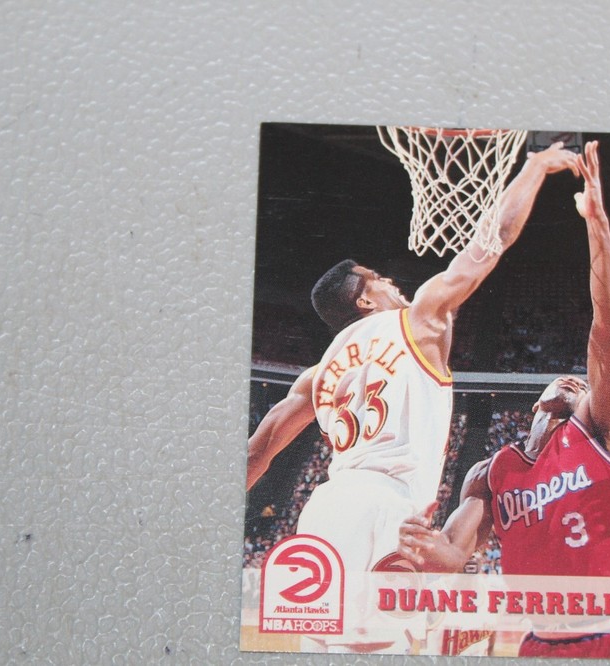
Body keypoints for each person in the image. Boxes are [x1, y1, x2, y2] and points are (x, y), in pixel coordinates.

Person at [246, 142, 580, 653]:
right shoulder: (418, 320)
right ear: (364, 299)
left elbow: (258, 450)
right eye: (379, 280)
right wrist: (535, 167)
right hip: (387, 505)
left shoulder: (317, 373)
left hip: (325, 508)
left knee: (322, 649)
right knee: (388, 650)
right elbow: (489, 244)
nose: (391, 282)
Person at [397, 141, 610, 659]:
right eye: (563, 381)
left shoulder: (598, 428)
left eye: (581, 384)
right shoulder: (491, 473)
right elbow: (454, 552)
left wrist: (598, 225)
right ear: (534, 405)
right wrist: (425, 550)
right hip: (543, 641)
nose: (573, 383)